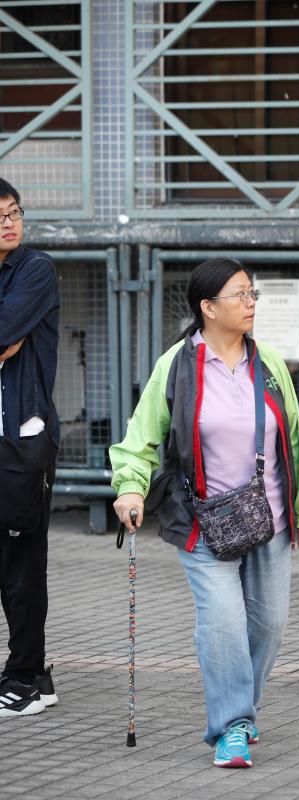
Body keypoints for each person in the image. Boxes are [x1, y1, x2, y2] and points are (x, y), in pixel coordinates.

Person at [109, 258, 299, 767]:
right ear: (208, 307)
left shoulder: (267, 362)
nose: (250, 304)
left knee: (269, 625)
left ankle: (242, 708)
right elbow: (141, 439)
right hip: (201, 519)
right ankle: (232, 726)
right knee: (222, 623)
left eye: (253, 294)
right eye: (240, 295)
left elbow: (294, 437)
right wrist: (130, 488)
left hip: (266, 517)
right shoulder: (177, 366)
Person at [0, 178, 61, 718]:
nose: (9, 222)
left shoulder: (35, 270)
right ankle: (36, 673)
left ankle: (21, 676)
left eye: (15, 211)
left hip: (22, 439)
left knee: (21, 560)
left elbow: (5, 331)